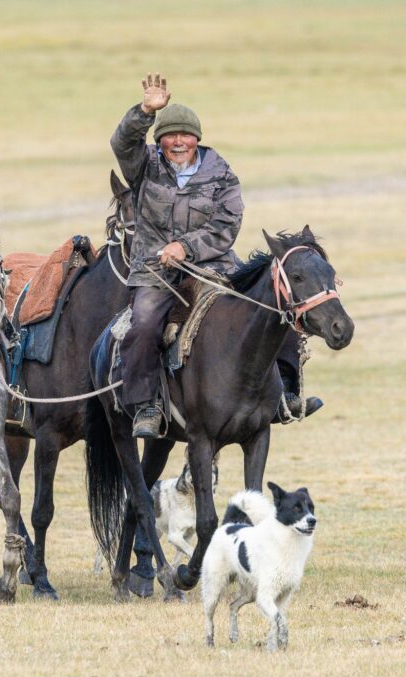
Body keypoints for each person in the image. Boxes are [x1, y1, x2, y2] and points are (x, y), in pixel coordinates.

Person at [111, 73, 320, 439]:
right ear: (159, 141)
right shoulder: (143, 166)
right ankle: (147, 405)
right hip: (156, 272)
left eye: (185, 135)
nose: (177, 142)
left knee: (275, 303)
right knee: (144, 323)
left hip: (214, 265)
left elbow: (228, 224)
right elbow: (122, 142)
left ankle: (286, 395)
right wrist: (145, 111)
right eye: (169, 135)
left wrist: (187, 247)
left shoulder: (220, 173)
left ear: (197, 140)